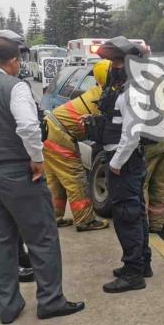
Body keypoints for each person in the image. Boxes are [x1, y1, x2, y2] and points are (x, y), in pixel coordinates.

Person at [0, 30, 84, 324]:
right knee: (42, 235)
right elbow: (28, 127)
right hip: (18, 172)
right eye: (18, 61)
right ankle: (50, 300)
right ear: (12, 60)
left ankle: (8, 306)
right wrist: (37, 160)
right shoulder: (15, 88)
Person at [95, 37, 151, 294]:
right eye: (112, 61)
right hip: (122, 160)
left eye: (118, 61)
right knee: (135, 213)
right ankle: (142, 263)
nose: (113, 66)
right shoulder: (123, 87)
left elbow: (132, 132)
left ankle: (133, 273)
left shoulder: (134, 90)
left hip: (125, 163)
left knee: (127, 216)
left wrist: (116, 163)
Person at [43, 60, 110, 232]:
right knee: (76, 179)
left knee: (55, 180)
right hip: (60, 134)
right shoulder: (103, 98)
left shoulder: (97, 92)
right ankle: (85, 220)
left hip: (50, 129)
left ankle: (53, 217)